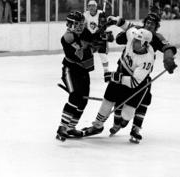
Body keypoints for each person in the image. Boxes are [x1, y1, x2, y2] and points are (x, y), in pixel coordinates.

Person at [87, 10, 177, 143]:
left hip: (140, 75)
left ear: (156, 26)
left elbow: (168, 47)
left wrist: (168, 59)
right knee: (114, 97)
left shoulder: (156, 38)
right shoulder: (135, 31)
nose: (149, 25)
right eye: (148, 22)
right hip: (123, 68)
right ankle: (105, 124)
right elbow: (125, 27)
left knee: (143, 101)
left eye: (153, 23)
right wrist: (115, 21)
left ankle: (135, 128)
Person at [82, 27, 155, 144]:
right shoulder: (132, 37)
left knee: (126, 114)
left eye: (138, 41)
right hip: (122, 73)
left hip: (137, 84)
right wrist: (116, 25)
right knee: (108, 99)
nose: (134, 42)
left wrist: (114, 77)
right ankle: (97, 125)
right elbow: (129, 29)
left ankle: (125, 121)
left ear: (145, 44)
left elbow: (134, 82)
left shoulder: (147, 60)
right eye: (135, 39)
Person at [56, 11, 113, 141]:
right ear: (69, 24)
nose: (80, 27)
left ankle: (71, 127)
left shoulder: (84, 32)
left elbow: (92, 40)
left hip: (83, 71)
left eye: (82, 24)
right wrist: (97, 43)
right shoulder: (68, 37)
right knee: (75, 95)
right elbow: (82, 54)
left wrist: (102, 33)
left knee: (83, 100)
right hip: (70, 70)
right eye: (77, 24)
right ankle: (62, 127)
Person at [83, 0, 112, 74]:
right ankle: (85, 70)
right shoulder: (85, 14)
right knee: (86, 54)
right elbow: (84, 26)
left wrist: (103, 24)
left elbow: (105, 28)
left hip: (99, 36)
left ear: (96, 7)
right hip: (89, 36)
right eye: (89, 6)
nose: (91, 7)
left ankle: (106, 71)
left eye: (93, 6)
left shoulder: (101, 14)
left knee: (103, 55)